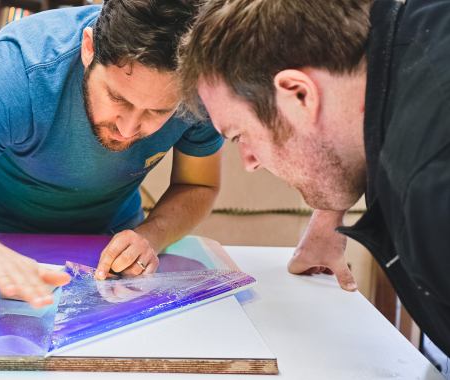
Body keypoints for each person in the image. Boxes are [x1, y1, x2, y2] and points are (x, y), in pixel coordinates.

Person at [0, 0, 225, 309]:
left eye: (157, 112)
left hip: (113, 244)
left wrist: (151, 235)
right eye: (118, 99)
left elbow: (198, 185)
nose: (129, 129)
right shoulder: (18, 71)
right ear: (89, 48)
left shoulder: (203, 89)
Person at [179, 0, 450, 355]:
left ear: (299, 94)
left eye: (239, 135)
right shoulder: (414, 28)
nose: (249, 161)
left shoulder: (431, 195)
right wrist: (328, 212)